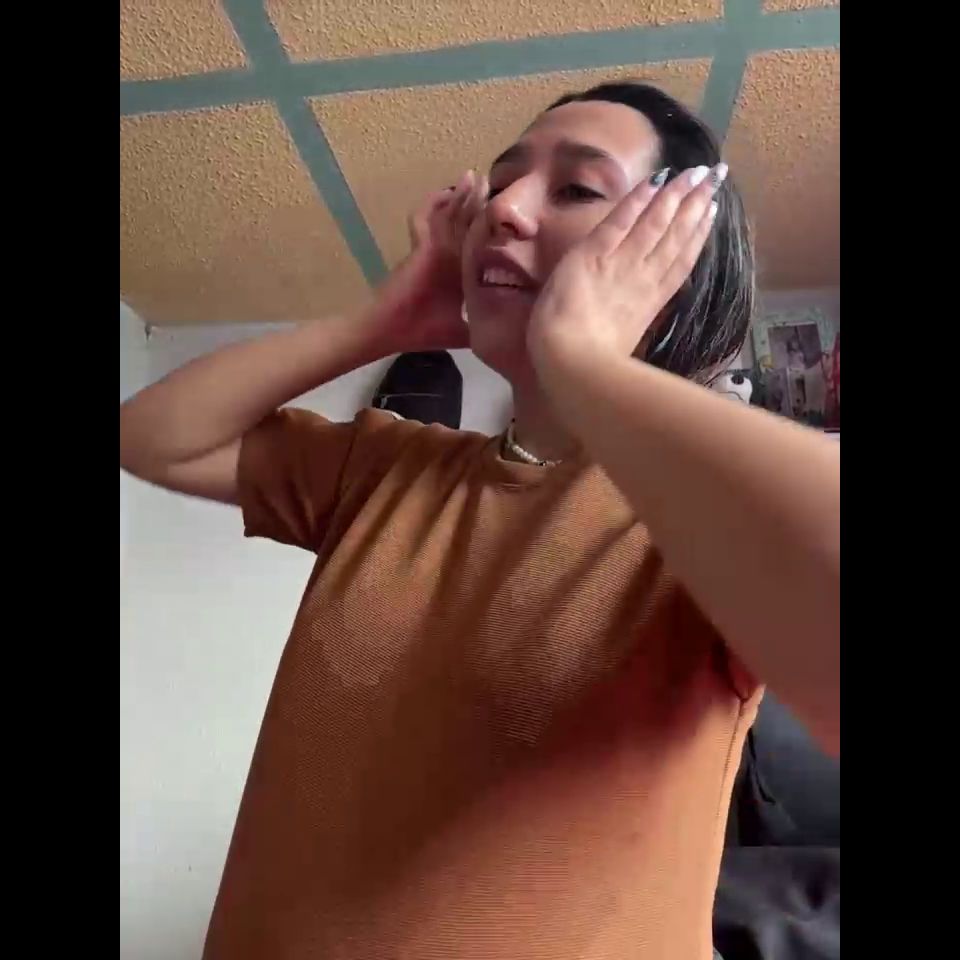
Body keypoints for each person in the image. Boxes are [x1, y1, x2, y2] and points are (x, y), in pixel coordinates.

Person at [120, 82, 840, 960]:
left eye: (576, 188)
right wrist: (382, 323)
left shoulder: (698, 512)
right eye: (502, 182)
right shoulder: (386, 467)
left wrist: (585, 361)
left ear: (676, 258)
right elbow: (153, 438)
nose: (503, 209)